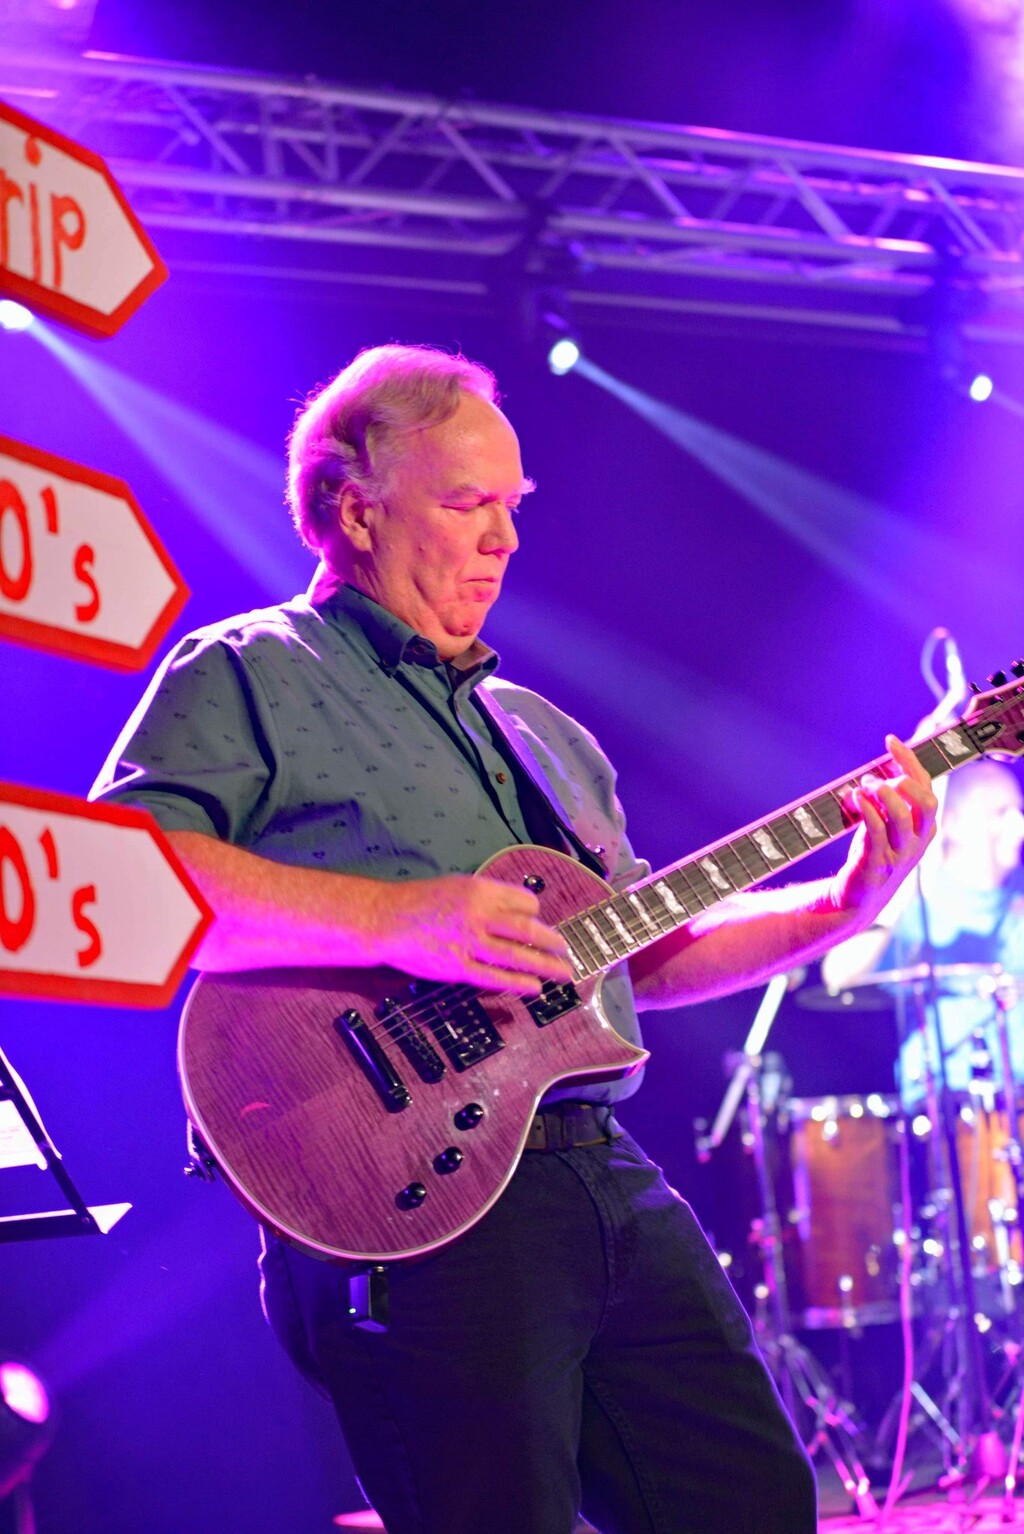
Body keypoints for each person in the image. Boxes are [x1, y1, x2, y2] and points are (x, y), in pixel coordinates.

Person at [92, 344, 937, 1534]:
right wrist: (399, 916)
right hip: (403, 1193)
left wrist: (840, 907)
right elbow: (124, 882)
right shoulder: (249, 671)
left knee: (752, 1502)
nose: (502, 538)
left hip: (594, 1168)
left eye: (513, 504)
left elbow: (637, 954)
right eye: (464, 502)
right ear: (354, 507)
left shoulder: (544, 733)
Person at [823, 758, 1024, 1106]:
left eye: (1019, 812)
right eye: (1000, 813)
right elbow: (837, 973)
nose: (1019, 826)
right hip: (943, 1108)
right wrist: (902, 891)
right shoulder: (917, 900)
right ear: (954, 824)